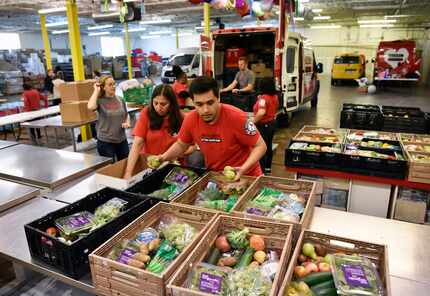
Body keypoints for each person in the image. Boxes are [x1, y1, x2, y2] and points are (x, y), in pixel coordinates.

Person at [157, 76, 267, 179]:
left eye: (210, 103)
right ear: (192, 102)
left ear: (218, 97)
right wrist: (163, 157)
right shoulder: (191, 119)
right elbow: (181, 145)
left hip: (247, 176)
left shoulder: (237, 117)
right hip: (217, 177)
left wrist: (243, 169)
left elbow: (261, 146)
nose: (205, 110)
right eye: (199, 104)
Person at [123, 84, 189, 179]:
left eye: (163, 104)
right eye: (155, 103)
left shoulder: (182, 118)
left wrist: (175, 154)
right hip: (151, 168)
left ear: (172, 103)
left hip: (175, 170)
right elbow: (137, 144)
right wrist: (128, 172)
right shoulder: (146, 114)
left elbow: (191, 146)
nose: (158, 107)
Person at [88, 75, 130, 161]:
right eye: (110, 85)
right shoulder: (99, 100)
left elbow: (126, 114)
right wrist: (96, 90)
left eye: (114, 84)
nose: (113, 86)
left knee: (125, 164)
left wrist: (127, 122)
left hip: (121, 139)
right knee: (111, 168)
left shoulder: (120, 99)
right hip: (105, 141)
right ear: (103, 87)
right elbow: (91, 107)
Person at [252, 77, 278, 174]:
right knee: (268, 146)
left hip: (264, 126)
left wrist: (252, 122)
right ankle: (268, 168)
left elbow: (261, 112)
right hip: (272, 124)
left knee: (261, 148)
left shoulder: (264, 98)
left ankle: (261, 171)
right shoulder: (274, 96)